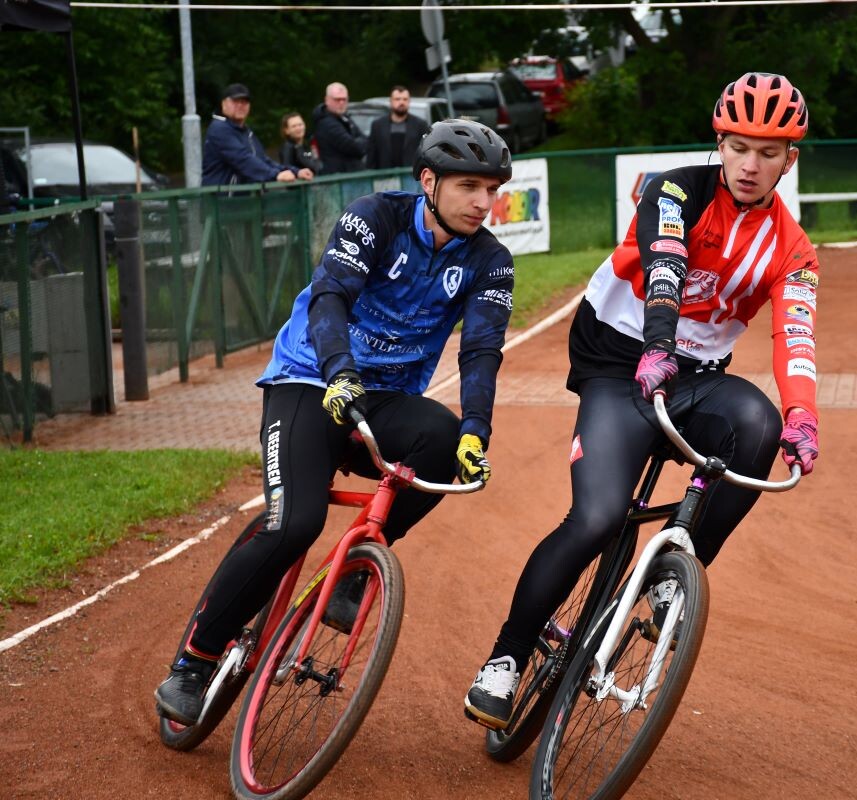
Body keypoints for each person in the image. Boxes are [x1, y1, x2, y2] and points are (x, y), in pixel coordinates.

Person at [463, 72, 821, 729]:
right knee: (598, 518)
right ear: (720, 144)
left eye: (768, 153)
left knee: (760, 426)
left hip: (696, 376)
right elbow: (665, 268)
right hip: (618, 359)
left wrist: (804, 414)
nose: (750, 165)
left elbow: (796, 337)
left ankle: (672, 574)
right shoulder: (674, 190)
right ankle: (505, 658)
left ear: (789, 161)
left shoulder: (792, 249)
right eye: (739, 147)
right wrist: (658, 345)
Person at [155, 119, 516, 727]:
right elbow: (331, 297)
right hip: (309, 378)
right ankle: (194, 660)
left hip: (385, 397)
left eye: (492, 189)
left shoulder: (490, 260)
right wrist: (339, 371)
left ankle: (356, 568)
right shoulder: (374, 217)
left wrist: (477, 429)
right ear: (428, 181)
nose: (484, 202)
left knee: (444, 442)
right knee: (294, 524)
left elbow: (480, 350)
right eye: (469, 186)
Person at [201, 84, 314, 186]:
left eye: (244, 102)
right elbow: (243, 159)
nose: (240, 105)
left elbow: (263, 160)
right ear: (224, 104)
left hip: (241, 198)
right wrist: (275, 175)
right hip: (221, 200)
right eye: (235, 101)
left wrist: (295, 172)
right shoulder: (219, 129)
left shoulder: (246, 131)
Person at [367, 85, 432, 172]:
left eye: (405, 99)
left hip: (411, 176)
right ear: (391, 101)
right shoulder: (377, 125)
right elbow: (372, 154)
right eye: (397, 99)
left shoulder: (420, 124)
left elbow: (425, 153)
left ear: (409, 101)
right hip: (385, 176)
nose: (401, 102)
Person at [312, 82, 368, 174]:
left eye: (344, 99)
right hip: (339, 177)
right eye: (337, 100)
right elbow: (354, 148)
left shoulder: (344, 118)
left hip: (350, 173)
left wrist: (361, 142)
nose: (341, 103)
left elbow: (364, 140)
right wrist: (361, 142)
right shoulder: (326, 124)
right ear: (327, 100)